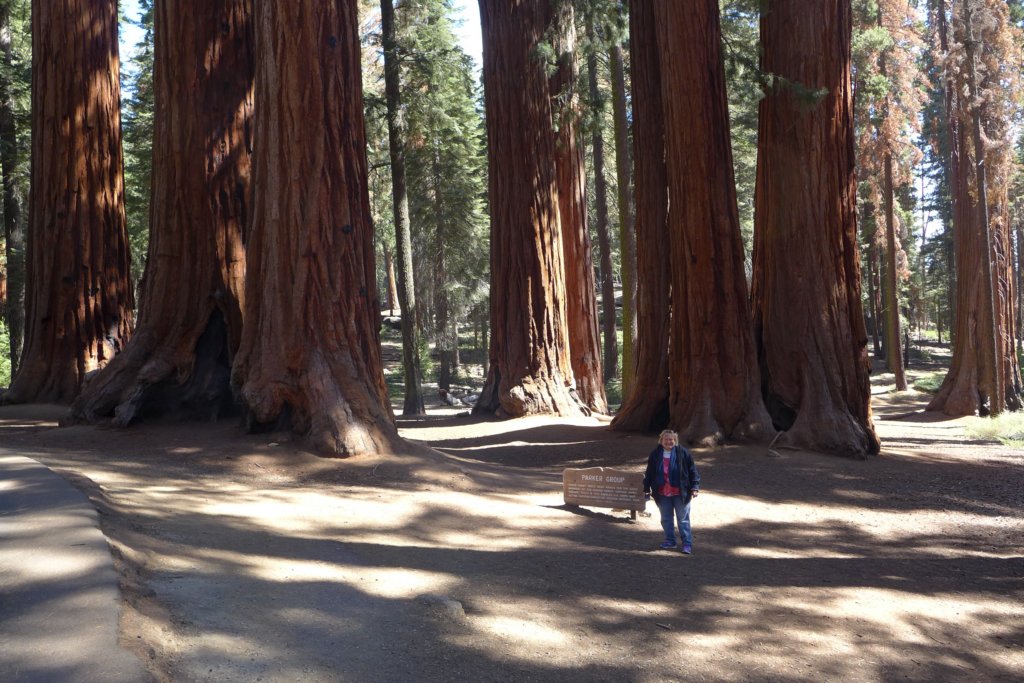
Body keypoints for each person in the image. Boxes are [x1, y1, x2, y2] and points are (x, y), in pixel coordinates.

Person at [643, 429, 700, 553]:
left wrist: (695, 486)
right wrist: (646, 488)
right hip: (662, 492)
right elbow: (649, 472)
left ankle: (687, 544)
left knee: (683, 519)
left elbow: (692, 470)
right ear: (661, 440)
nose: (669, 441)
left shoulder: (683, 453)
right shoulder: (655, 454)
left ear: (675, 440)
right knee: (666, 518)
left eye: (671, 439)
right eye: (666, 439)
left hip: (681, 492)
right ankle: (670, 541)